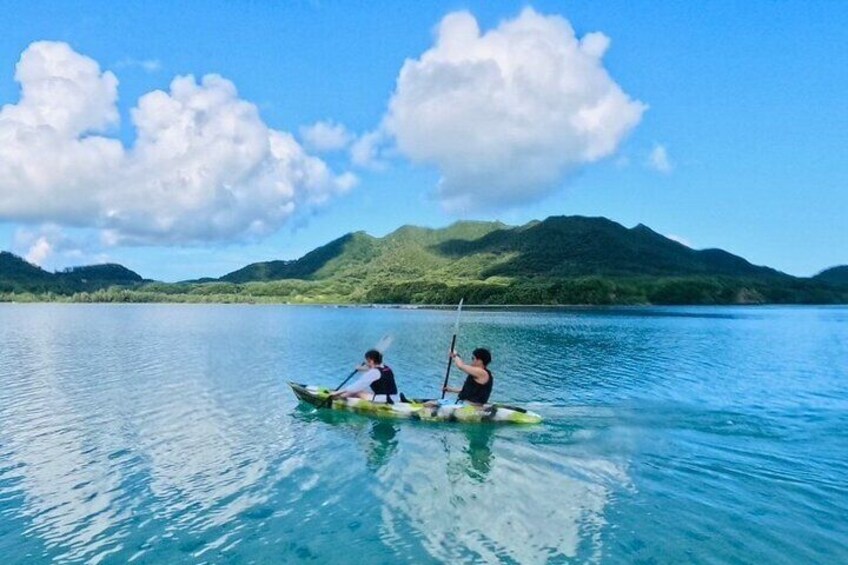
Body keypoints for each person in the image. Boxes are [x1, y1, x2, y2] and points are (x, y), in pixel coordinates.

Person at [330, 349, 398, 404]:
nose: (365, 362)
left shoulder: (373, 372)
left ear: (371, 361)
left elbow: (355, 386)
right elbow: (375, 370)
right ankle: (338, 394)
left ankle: (335, 397)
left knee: (356, 392)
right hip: (394, 397)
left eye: (366, 361)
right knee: (364, 390)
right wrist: (360, 368)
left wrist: (337, 392)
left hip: (383, 399)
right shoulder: (387, 368)